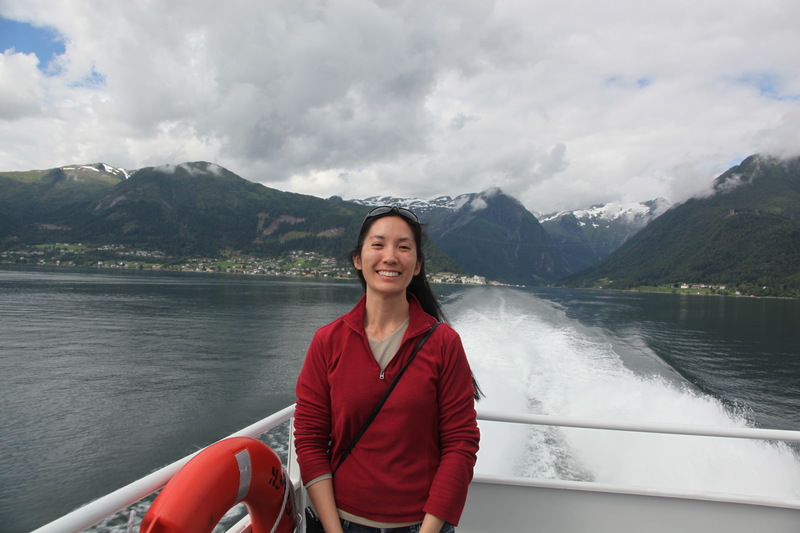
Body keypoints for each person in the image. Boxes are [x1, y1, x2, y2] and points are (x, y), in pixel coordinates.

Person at [294, 206, 481, 533]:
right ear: (358, 259)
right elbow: (310, 440)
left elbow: (460, 444)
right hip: (343, 523)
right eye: (378, 244)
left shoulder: (443, 343)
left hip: (421, 526)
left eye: (404, 247)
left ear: (418, 265)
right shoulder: (328, 341)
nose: (390, 257)